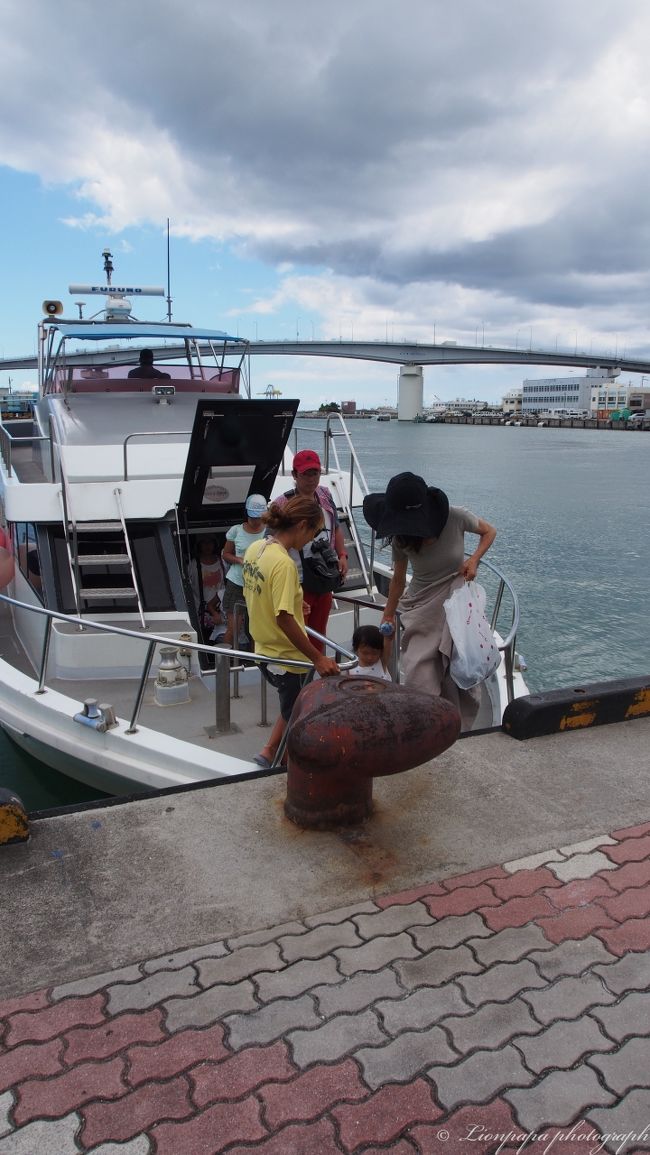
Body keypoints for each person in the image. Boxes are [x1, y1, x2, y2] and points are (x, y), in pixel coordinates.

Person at [363, 472, 496, 728]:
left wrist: (474, 560)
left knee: (455, 671)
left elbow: (489, 531)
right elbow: (398, 580)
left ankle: (450, 725)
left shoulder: (456, 517)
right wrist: (388, 614)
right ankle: (425, 727)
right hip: (421, 604)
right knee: (418, 670)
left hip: (456, 601)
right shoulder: (401, 536)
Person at [242, 495, 339, 768]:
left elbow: (261, 596)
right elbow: (284, 619)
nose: (310, 541)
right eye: (314, 532)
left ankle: (270, 751)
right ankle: (284, 761)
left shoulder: (256, 549)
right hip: (286, 657)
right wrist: (318, 658)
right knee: (299, 710)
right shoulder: (284, 564)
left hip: (262, 649)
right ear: (303, 525)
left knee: (291, 705)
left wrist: (297, 605)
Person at [275, 449, 348, 652]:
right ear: (294, 475)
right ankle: (306, 667)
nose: (311, 478)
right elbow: (274, 543)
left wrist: (342, 555)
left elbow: (336, 528)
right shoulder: (282, 504)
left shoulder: (325, 494)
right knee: (299, 635)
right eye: (306, 473)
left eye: (315, 473)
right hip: (297, 580)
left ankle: (318, 666)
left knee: (319, 634)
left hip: (323, 576)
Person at [220, 493, 268, 647]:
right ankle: (225, 660)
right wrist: (240, 560)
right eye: (253, 517)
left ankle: (256, 659)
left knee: (257, 630)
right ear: (247, 513)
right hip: (237, 583)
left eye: (259, 517)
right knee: (233, 628)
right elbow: (226, 554)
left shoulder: (269, 532)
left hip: (259, 585)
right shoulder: (236, 530)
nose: (256, 521)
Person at [189, 536, 226, 643]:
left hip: (220, 611)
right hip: (200, 613)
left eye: (210, 542)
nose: (207, 545)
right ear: (199, 545)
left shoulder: (221, 562)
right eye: (203, 542)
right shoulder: (193, 564)